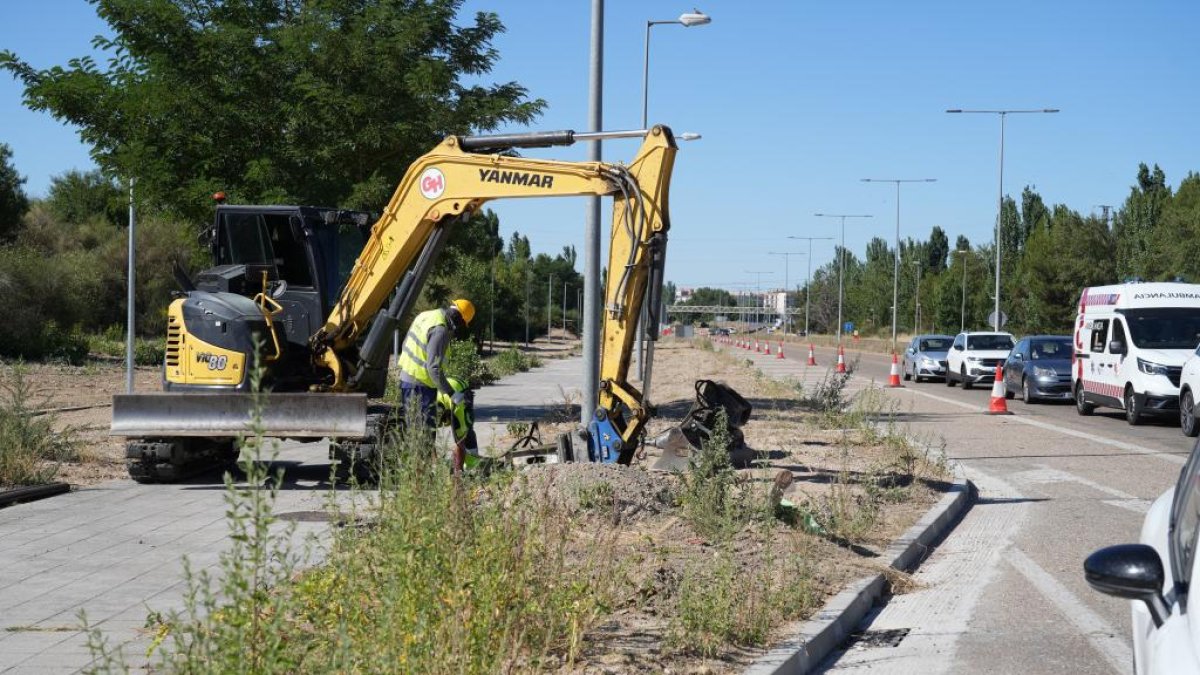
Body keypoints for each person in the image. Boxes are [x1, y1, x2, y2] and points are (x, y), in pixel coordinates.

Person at [397, 298, 475, 433]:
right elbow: (433, 368)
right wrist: (451, 394)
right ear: (457, 317)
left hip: (407, 381)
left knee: (414, 432)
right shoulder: (441, 330)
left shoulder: (425, 315)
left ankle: (417, 455)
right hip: (421, 387)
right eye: (462, 323)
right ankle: (423, 455)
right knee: (425, 434)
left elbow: (405, 344)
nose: (459, 328)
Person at [437, 377, 479, 472]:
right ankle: (459, 464)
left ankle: (472, 464)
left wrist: (458, 471)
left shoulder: (457, 408)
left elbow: (460, 440)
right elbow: (428, 440)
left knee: (466, 430)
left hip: (460, 393)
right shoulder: (425, 407)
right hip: (445, 391)